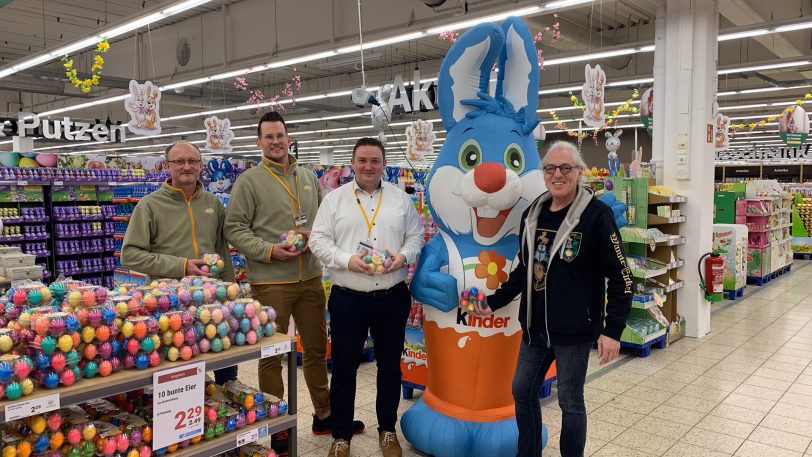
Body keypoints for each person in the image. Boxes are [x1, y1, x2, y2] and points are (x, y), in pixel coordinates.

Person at [476, 141, 632, 457]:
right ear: (543, 173)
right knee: (522, 391)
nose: (557, 174)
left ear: (579, 172)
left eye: (565, 168)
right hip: (535, 328)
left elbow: (621, 277)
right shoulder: (533, 213)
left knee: (570, 401)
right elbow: (524, 269)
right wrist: (493, 301)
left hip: (574, 330)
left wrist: (612, 330)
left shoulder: (596, 216)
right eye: (550, 168)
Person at [224, 112, 363, 455]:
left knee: (316, 349)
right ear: (259, 143)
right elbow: (235, 229)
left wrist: (313, 236)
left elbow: (324, 222)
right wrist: (269, 250)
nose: (275, 141)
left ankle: (324, 413)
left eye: (280, 135)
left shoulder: (307, 176)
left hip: (311, 277)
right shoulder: (249, 181)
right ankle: (277, 424)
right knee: (272, 353)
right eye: (268, 137)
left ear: (289, 138)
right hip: (271, 281)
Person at [309, 138, 424, 457]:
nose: (368, 166)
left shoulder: (401, 200)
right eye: (362, 160)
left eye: (374, 160)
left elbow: (415, 237)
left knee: (390, 367)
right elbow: (318, 241)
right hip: (348, 298)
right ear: (352, 162)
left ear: (383, 163)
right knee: (344, 367)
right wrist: (347, 260)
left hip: (392, 296)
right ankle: (341, 435)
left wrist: (402, 257)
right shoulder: (334, 200)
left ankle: (387, 430)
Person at [121, 140, 237, 384]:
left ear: (201, 165)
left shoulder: (213, 204)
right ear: (167, 165)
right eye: (179, 161)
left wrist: (230, 292)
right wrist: (181, 265)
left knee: (225, 366)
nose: (187, 167)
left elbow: (222, 252)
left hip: (211, 302)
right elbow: (130, 254)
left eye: (193, 161)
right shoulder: (149, 205)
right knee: (180, 375)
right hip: (169, 307)